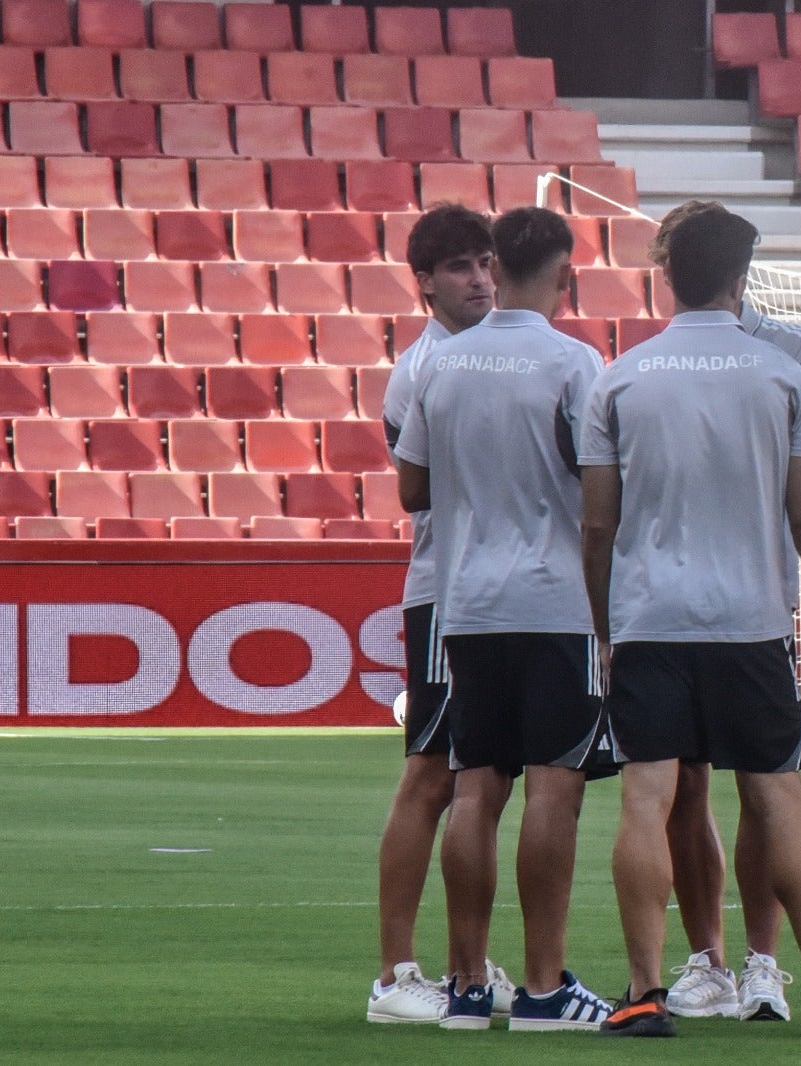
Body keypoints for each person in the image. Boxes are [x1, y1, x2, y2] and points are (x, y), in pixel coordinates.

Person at [580, 208, 801, 1039]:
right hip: (751, 624)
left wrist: (605, 629)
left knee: (647, 799)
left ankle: (643, 991)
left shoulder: (619, 380)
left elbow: (596, 525)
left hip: (651, 619)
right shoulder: (784, 377)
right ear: (743, 275)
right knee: (778, 798)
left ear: (669, 275)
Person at [394, 206, 613, 1032]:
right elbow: (602, 491)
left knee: (476, 786)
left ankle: (465, 987)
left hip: (466, 604)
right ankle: (546, 989)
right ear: (562, 273)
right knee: (555, 786)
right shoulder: (575, 362)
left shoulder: (441, 364)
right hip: (553, 600)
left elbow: (412, 488)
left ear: (497, 264)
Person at [644, 201, 801, 1024]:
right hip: (674, 605)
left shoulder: (794, 352)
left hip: (755, 601)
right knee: (683, 786)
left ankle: (763, 962)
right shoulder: (650, 364)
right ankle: (706, 960)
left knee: (763, 788)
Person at [367, 204, 500, 1025]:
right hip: (451, 593)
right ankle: (394, 975)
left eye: (485, 262)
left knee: (483, 778)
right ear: (424, 283)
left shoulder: (495, 355)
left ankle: (468, 969)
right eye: (459, 267)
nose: (480, 279)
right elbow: (426, 495)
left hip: (495, 593)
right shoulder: (423, 371)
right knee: (432, 775)